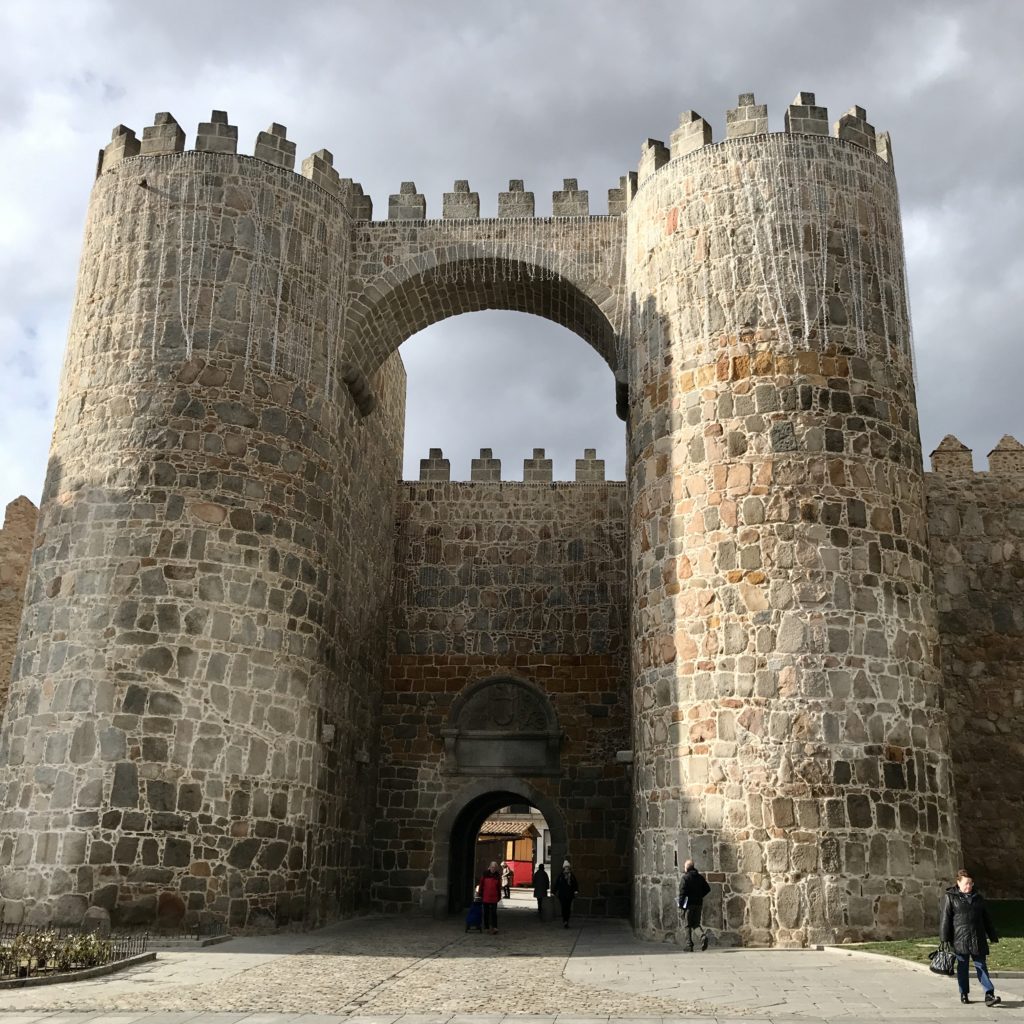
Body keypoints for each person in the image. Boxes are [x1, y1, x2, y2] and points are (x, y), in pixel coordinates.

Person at [940, 868, 1001, 1005]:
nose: (968, 886)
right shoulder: (950, 897)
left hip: (977, 938)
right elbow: (945, 919)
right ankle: (964, 993)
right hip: (960, 939)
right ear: (958, 883)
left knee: (981, 966)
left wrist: (992, 935)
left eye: (970, 883)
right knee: (962, 968)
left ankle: (989, 994)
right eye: (966, 883)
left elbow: (986, 918)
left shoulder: (978, 898)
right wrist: (944, 939)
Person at [678, 858, 712, 952]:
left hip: (688, 905)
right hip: (698, 903)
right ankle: (702, 936)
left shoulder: (685, 878)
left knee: (687, 925)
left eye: (684, 867)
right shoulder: (699, 877)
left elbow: (682, 893)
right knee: (696, 923)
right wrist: (699, 895)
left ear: (687, 868)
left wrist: (681, 906)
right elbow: (707, 889)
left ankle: (689, 945)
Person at [478, 860, 503, 935]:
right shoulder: (485, 874)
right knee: (486, 913)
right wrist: (480, 894)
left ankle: (495, 927)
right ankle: (486, 927)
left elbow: (499, 887)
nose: (493, 868)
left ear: (496, 868)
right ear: (490, 867)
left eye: (495, 867)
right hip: (486, 897)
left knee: (494, 913)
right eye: (492, 867)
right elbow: (481, 884)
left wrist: (499, 896)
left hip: (494, 897)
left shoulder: (497, 876)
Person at [553, 859, 579, 928]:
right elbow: (557, 884)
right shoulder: (561, 876)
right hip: (562, 895)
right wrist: (554, 891)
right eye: (566, 867)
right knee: (564, 908)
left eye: (568, 867)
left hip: (569, 895)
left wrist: (576, 890)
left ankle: (566, 920)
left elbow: (575, 884)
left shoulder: (572, 876)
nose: (567, 869)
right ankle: (565, 920)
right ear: (564, 868)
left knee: (568, 908)